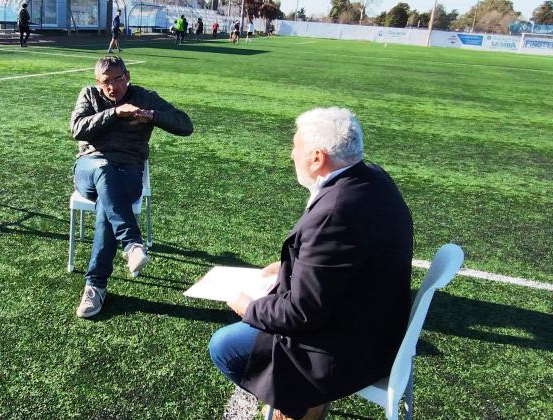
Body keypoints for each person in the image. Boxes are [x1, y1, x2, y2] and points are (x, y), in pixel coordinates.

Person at [208, 107, 413, 419]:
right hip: (377, 325)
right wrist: (292, 266)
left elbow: (301, 313)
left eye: (295, 146)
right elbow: (348, 259)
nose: (291, 154)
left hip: (346, 348)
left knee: (224, 345)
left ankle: (299, 407)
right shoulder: (373, 178)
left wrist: (248, 306)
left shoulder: (333, 214)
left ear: (317, 158)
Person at [69, 56, 193, 318]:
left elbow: (185, 125)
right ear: (97, 82)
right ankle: (132, 244)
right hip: (89, 168)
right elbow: (77, 128)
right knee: (103, 171)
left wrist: (153, 116)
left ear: (127, 76)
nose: (112, 86)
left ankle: (96, 286)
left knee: (108, 204)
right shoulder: (90, 95)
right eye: (106, 82)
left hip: (128, 171)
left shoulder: (144, 97)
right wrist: (114, 113)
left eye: (117, 79)